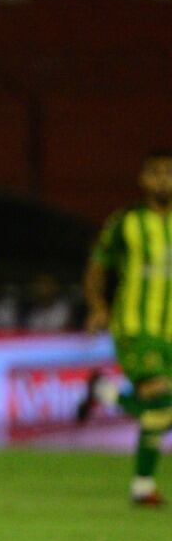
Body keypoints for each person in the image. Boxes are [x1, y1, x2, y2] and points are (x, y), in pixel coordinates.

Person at [79, 148, 172, 506]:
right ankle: (143, 486)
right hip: (135, 326)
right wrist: (99, 306)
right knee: (162, 398)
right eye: (156, 173)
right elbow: (98, 267)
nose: (163, 180)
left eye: (169, 173)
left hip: (169, 332)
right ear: (143, 179)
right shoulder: (127, 222)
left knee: (161, 408)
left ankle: (105, 392)